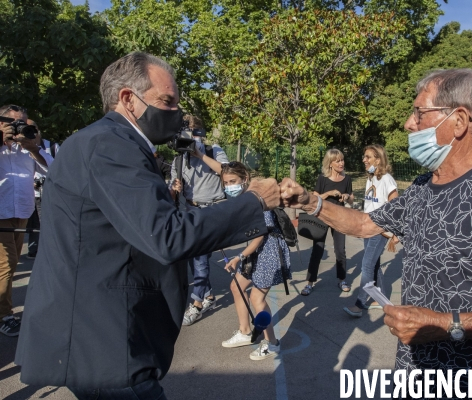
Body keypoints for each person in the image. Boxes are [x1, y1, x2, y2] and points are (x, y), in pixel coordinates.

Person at [281, 69, 472, 398]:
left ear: (459, 120)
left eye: (419, 112)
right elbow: (365, 224)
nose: (408, 123)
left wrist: (448, 325)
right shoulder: (422, 187)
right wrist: (309, 201)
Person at [14, 52, 281, 398]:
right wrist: (254, 201)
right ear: (128, 99)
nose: (177, 114)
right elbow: (167, 235)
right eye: (167, 101)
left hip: (105, 337)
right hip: (102, 343)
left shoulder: (109, 143)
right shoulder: (110, 145)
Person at [220, 161, 290, 361]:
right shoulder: (244, 198)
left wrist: (239, 256)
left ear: (245, 179)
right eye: (226, 183)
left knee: (256, 300)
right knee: (236, 286)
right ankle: (244, 331)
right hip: (256, 252)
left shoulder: (259, 199)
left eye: (233, 181)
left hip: (269, 253)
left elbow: (260, 235)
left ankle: (273, 344)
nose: (229, 186)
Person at [171, 115, 229, 326]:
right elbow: (173, 193)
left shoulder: (214, 150)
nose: (189, 137)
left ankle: (196, 304)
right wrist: (173, 190)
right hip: (190, 211)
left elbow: (227, 172)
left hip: (213, 211)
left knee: (200, 258)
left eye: (193, 132)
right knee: (194, 258)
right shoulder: (179, 159)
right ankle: (209, 296)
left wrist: (199, 154)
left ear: (200, 134)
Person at [0, 105, 52, 337]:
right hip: (0, 214)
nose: (20, 127)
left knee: (6, 268)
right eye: (14, 122)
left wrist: (34, 148)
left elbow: (54, 171)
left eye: (23, 122)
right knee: (7, 265)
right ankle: (5, 315)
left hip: (22, 212)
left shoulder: (27, 149)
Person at [343, 144, 398, 317]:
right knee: (374, 264)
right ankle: (381, 300)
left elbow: (395, 205)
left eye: (368, 157)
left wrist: (395, 233)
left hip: (378, 231)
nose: (364, 160)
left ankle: (359, 304)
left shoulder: (386, 179)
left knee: (366, 266)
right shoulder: (370, 178)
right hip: (368, 229)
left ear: (378, 159)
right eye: (364, 156)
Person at [301, 149, 353, 296]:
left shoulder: (347, 178)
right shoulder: (322, 179)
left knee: (340, 251)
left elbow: (352, 198)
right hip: (322, 217)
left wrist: (347, 196)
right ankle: (309, 283)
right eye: (337, 161)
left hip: (339, 218)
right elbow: (315, 198)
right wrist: (329, 193)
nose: (341, 163)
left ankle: (342, 279)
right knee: (317, 250)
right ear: (330, 163)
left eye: (342, 160)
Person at [25, 120, 58, 259]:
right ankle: (33, 250)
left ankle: (45, 250)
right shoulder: (18, 147)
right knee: (31, 225)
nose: (31, 132)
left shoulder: (50, 146)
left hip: (46, 193)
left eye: (33, 129)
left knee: (46, 223)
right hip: (28, 194)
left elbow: (57, 167)